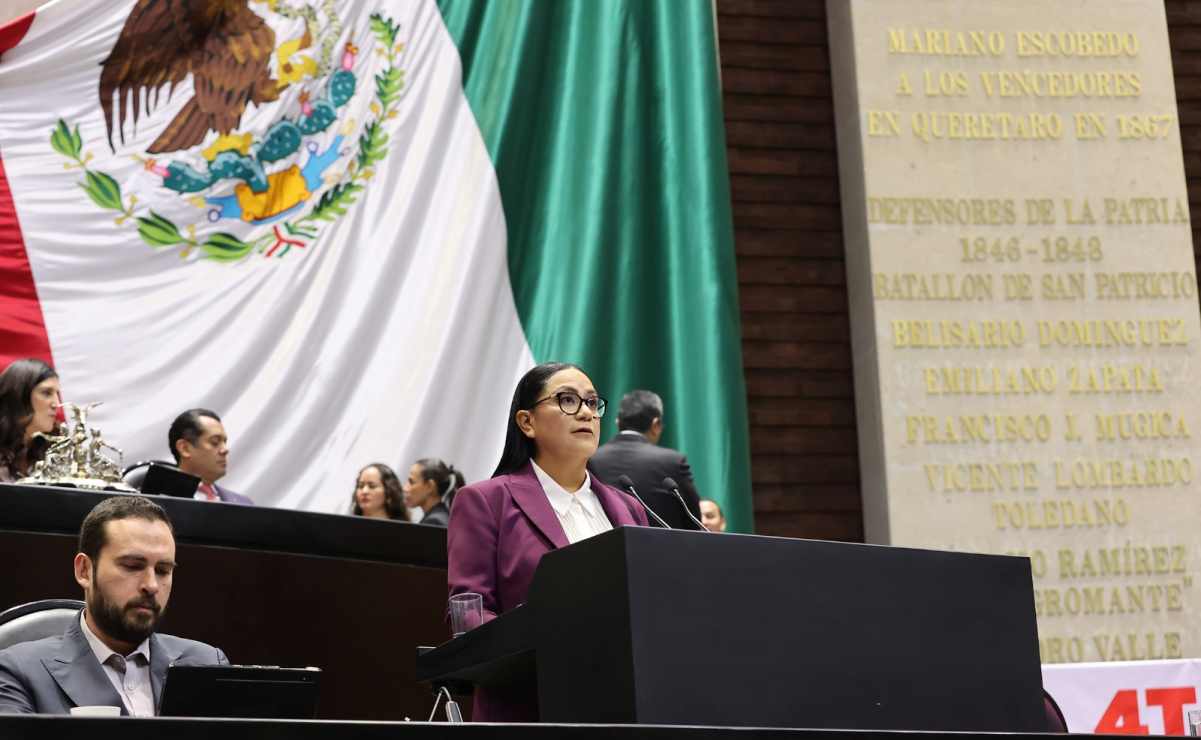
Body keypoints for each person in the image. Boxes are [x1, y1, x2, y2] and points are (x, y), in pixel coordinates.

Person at [448, 362, 650, 722]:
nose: (586, 412)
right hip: (528, 708)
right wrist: (551, 648)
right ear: (527, 422)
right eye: (568, 400)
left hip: (622, 708)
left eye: (592, 402)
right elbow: (471, 616)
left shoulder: (629, 508)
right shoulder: (485, 502)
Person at [0, 496, 229, 715]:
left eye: (163, 570)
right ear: (85, 570)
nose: (151, 585)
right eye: (131, 566)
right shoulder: (18, 673)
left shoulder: (207, 665)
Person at [589, 389, 702, 530]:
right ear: (656, 424)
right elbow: (693, 520)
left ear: (617, 422)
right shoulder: (673, 461)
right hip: (666, 550)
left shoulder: (592, 459)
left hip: (608, 549)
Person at [167, 409, 253, 505]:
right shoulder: (154, 502)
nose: (225, 450)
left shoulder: (244, 504)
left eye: (225, 442)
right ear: (185, 448)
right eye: (215, 442)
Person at [0, 358, 60, 482]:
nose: (57, 404)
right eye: (46, 393)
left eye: (57, 394)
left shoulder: (56, 450)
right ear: (19, 396)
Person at [403, 458, 464, 527]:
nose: (405, 488)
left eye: (411, 482)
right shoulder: (438, 517)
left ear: (430, 486)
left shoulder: (434, 522)